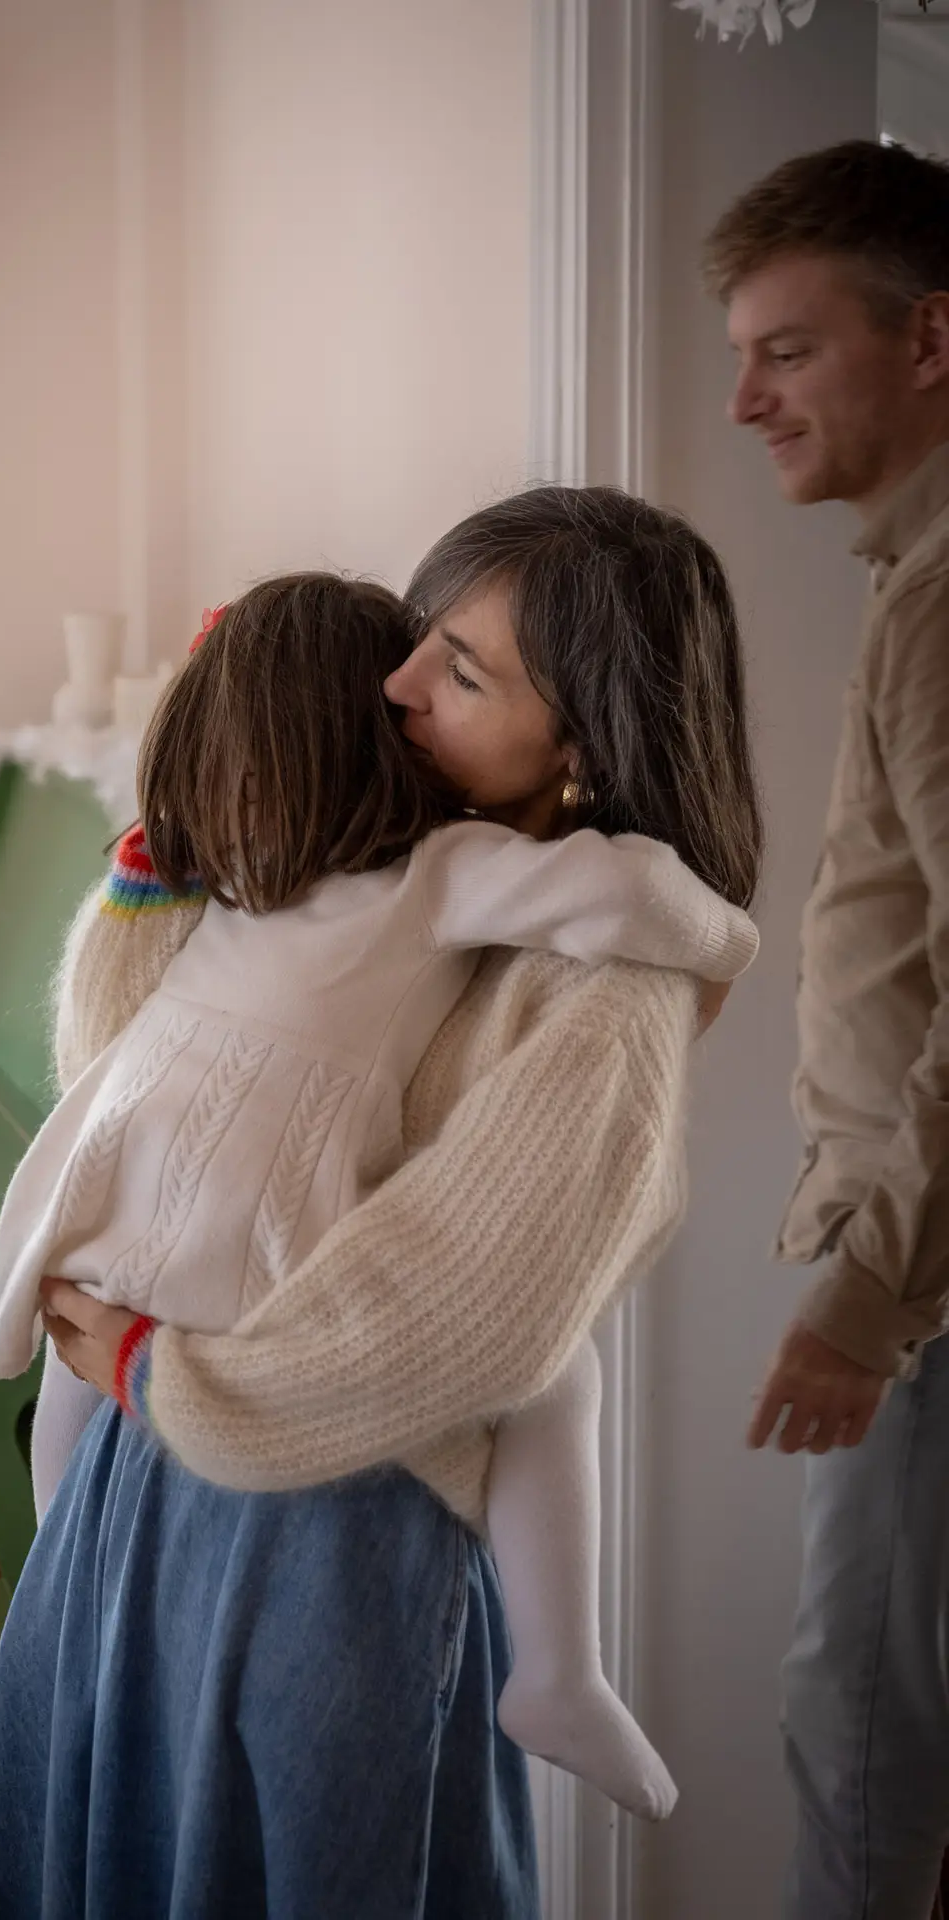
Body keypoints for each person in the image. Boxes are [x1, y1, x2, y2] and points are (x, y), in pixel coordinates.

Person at [0, 488, 764, 1920]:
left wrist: (160, 1371)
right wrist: (179, 839)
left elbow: (468, 1314)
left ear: (574, 739)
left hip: (329, 1519)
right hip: (165, 1456)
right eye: (419, 640)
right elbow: (134, 1073)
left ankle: (557, 1680)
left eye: (459, 670)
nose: (395, 683)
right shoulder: (361, 850)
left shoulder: (594, 982)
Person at [709, 139, 949, 1919]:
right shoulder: (914, 578)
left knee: (858, 1730)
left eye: (786, 350)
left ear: (928, 339)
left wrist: (868, 1294)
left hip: (932, 1284)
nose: (744, 399)